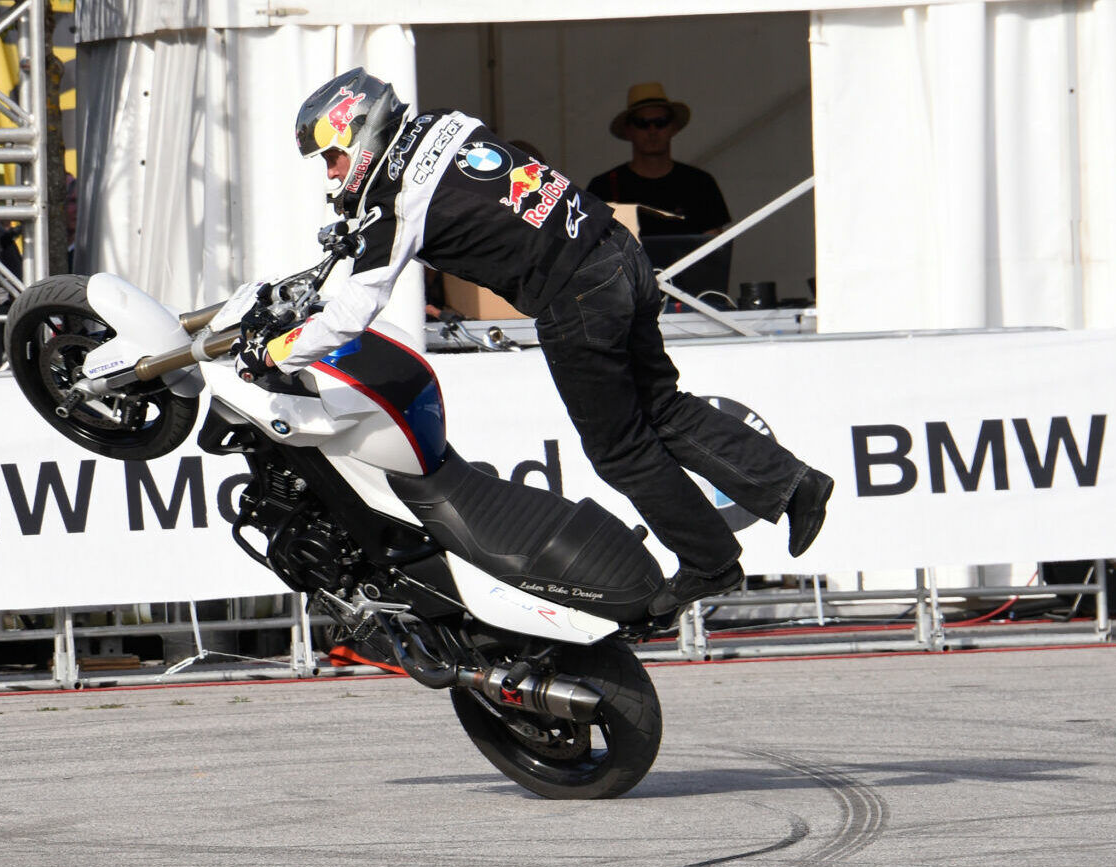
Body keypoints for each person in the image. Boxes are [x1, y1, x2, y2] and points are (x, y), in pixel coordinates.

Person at [241, 68, 834, 615]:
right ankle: (793, 484)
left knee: (619, 449)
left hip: (575, 294)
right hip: (618, 252)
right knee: (663, 407)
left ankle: (711, 564)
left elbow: (354, 309)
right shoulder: (449, 123)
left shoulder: (394, 200)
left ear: (363, 133)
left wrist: (278, 352)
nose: (332, 173)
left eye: (334, 157)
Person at [586, 82, 730, 238]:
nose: (652, 131)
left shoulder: (700, 184)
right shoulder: (604, 187)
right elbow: (588, 249)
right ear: (628, 130)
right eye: (642, 123)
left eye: (661, 122)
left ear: (673, 127)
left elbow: (715, 251)